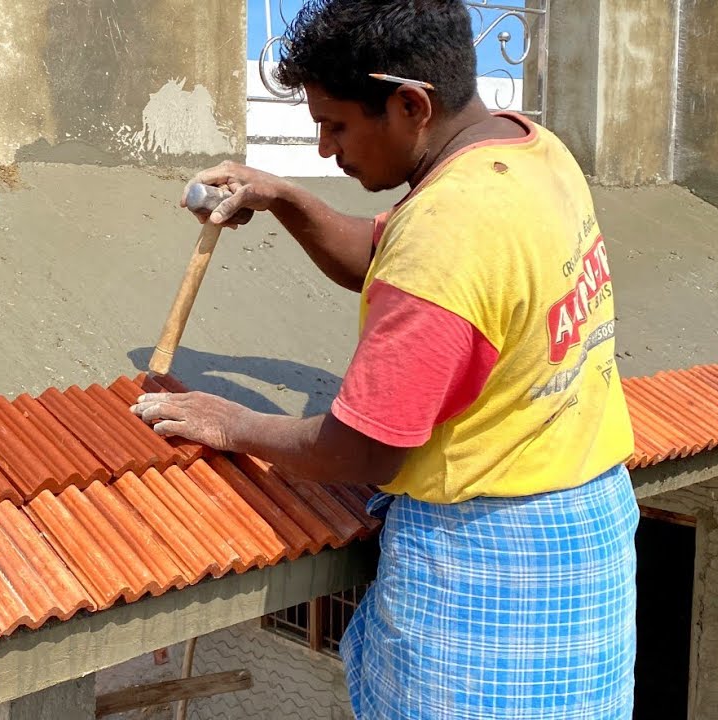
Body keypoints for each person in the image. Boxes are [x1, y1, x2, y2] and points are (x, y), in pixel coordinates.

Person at [131, 1, 637, 718]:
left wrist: (231, 423)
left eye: (336, 125)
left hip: (490, 573)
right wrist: (282, 199)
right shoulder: (526, 153)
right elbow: (387, 256)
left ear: (409, 104)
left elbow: (364, 448)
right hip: (588, 529)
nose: (323, 149)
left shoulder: (450, 231)